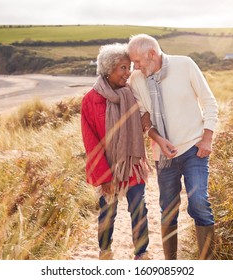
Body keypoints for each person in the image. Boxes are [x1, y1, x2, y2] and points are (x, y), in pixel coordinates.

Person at [127, 34, 219, 260]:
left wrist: (207, 139)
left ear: (152, 54)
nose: (134, 66)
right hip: (164, 156)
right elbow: (144, 120)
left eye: (137, 61)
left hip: (194, 149)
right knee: (168, 211)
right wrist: (158, 140)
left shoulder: (185, 64)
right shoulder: (136, 80)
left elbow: (209, 102)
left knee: (199, 203)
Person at [81, 43, 151, 260]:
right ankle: (105, 252)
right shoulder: (91, 100)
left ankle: (141, 253)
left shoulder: (132, 93)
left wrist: (146, 116)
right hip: (108, 166)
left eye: (128, 67)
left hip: (132, 164)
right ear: (108, 70)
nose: (127, 73)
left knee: (138, 207)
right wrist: (104, 176)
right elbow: (91, 142)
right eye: (122, 68)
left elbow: (142, 120)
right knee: (108, 213)